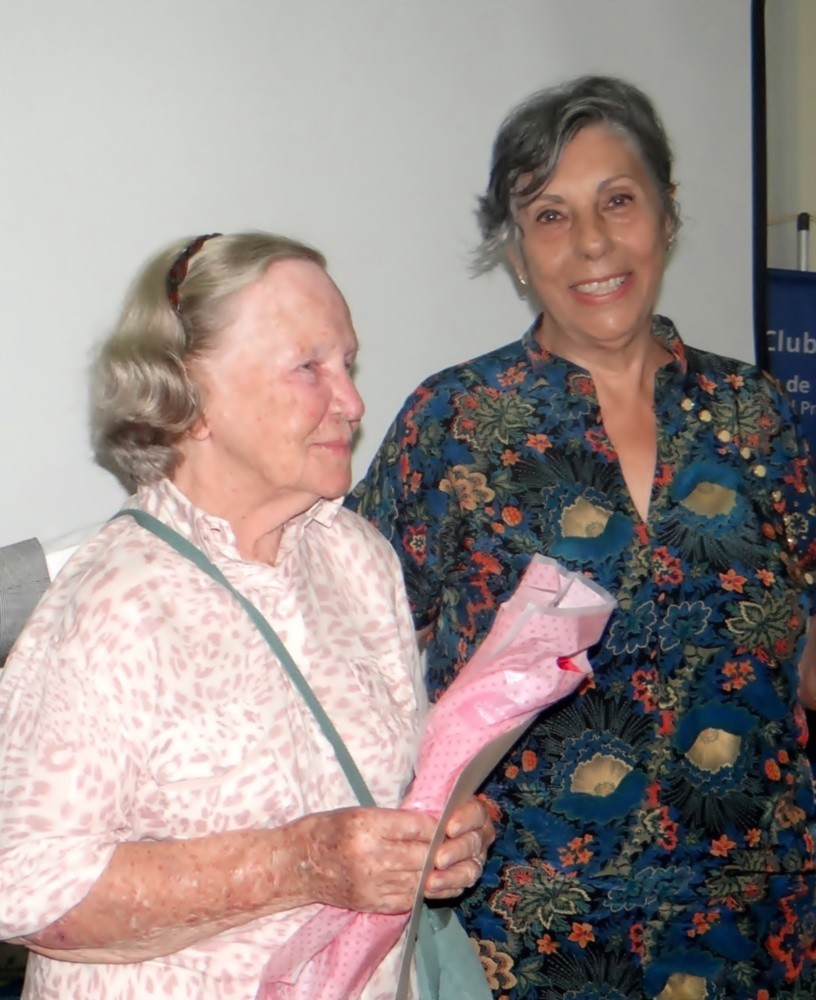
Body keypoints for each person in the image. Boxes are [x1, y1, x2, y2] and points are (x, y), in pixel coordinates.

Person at [348, 76, 816, 998]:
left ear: (667, 213)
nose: (591, 242)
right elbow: (341, 644)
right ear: (515, 252)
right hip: (531, 945)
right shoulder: (456, 420)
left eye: (618, 201)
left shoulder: (752, 413)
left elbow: (811, 677)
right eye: (550, 216)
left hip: (756, 932)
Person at [0, 231, 494, 1000]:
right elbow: (25, 887)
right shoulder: (116, 602)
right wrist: (297, 864)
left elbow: (393, 785)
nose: (353, 403)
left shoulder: (358, 560)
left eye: (348, 364)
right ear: (191, 399)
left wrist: (441, 835)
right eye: (308, 368)